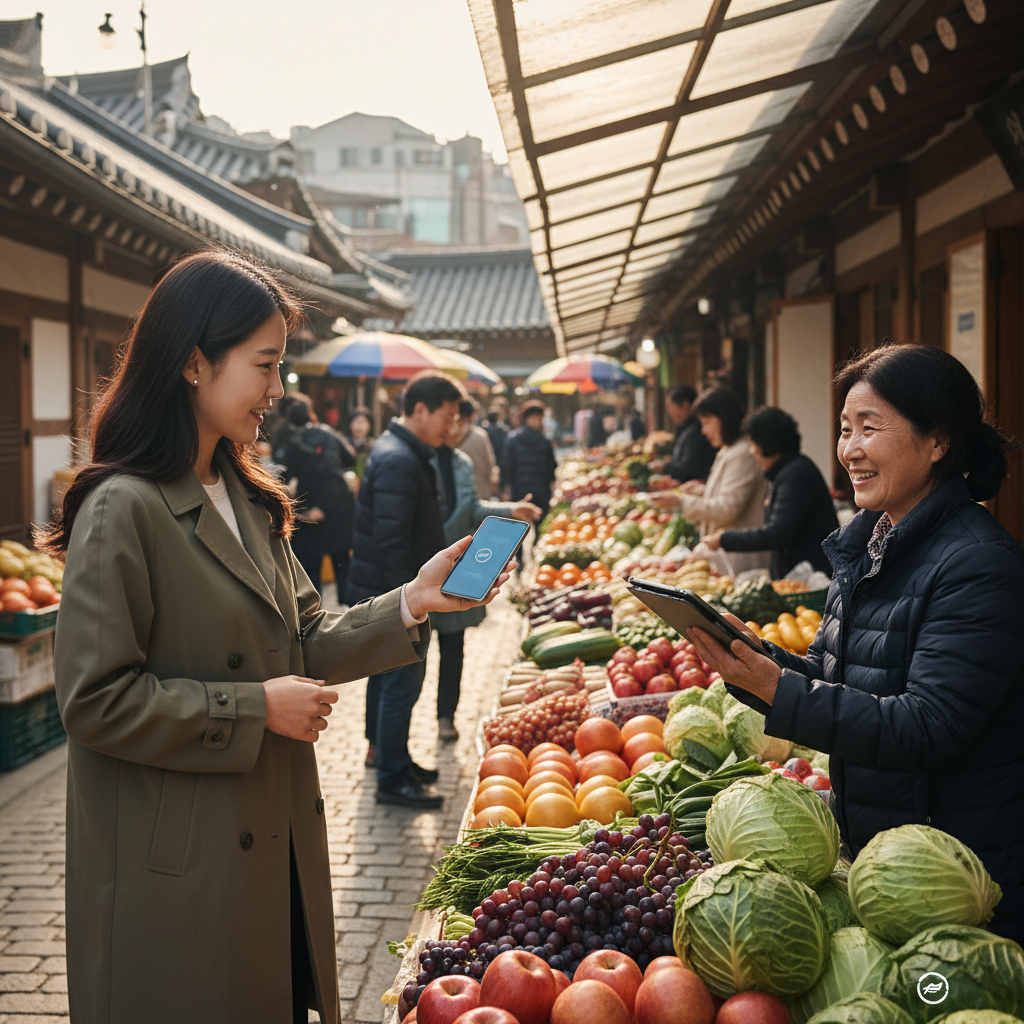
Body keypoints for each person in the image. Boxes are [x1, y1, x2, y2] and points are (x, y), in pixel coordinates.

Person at [42, 250, 513, 1024]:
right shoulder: (121, 508)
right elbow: (93, 702)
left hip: (269, 839)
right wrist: (254, 708)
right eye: (265, 365)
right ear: (195, 362)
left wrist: (413, 601)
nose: (278, 390)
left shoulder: (245, 497)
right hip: (181, 872)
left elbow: (309, 635)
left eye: (281, 366)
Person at [689, 345, 1024, 945]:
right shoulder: (870, 542)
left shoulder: (978, 563)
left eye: (871, 428)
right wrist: (759, 661)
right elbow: (836, 671)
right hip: (888, 861)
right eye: (845, 430)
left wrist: (779, 689)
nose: (850, 450)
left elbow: (929, 724)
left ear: (938, 441)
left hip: (953, 874)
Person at [348, 370, 467, 809]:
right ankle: (392, 776)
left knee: (388, 681)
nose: (451, 428)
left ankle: (388, 755)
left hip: (390, 592)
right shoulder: (400, 459)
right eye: (447, 417)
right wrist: (411, 601)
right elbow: (392, 542)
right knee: (401, 683)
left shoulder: (400, 450)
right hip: (395, 593)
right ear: (420, 410)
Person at [433, 423, 542, 740]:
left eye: (457, 420)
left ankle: (445, 717)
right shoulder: (408, 459)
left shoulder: (459, 462)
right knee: (407, 658)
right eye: (448, 417)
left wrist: (510, 509)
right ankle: (386, 748)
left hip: (459, 564)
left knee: (453, 647)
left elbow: (471, 508)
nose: (453, 428)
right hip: (416, 568)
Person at [704, 406, 839, 579]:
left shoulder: (796, 475)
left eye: (753, 444)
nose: (752, 452)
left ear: (767, 444)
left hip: (812, 579)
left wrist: (724, 539)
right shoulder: (785, 472)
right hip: (797, 575)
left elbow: (778, 532)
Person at [654, 388, 769, 573]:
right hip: (727, 555)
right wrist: (701, 491)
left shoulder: (741, 454)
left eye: (706, 422)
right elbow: (730, 493)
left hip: (739, 560)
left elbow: (728, 508)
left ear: (724, 419)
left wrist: (681, 501)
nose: (703, 431)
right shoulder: (728, 450)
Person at [275, 395, 357, 597]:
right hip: (337, 509)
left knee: (311, 574)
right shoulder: (328, 433)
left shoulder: (288, 441)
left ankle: (314, 620)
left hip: (309, 510)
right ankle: (352, 617)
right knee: (343, 569)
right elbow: (350, 458)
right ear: (310, 414)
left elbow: (284, 475)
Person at [502, 400, 557, 516]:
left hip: (519, 489)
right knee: (539, 523)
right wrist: (552, 489)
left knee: (519, 524)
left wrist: (506, 488)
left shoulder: (512, 439)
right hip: (541, 490)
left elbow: (506, 466)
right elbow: (551, 468)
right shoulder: (545, 441)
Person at [663, 384, 716, 484]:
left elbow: (690, 468)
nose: (669, 411)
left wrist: (664, 467)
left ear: (685, 405)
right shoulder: (685, 429)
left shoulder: (695, 432)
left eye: (670, 406)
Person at [455, 398, 499, 499]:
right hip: (480, 490)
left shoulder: (449, 434)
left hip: (458, 492)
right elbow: (489, 465)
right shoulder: (480, 435)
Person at [346, 406, 374, 472]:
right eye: (356, 421)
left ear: (369, 425)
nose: (359, 426)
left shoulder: (373, 446)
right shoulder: (345, 444)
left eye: (362, 422)